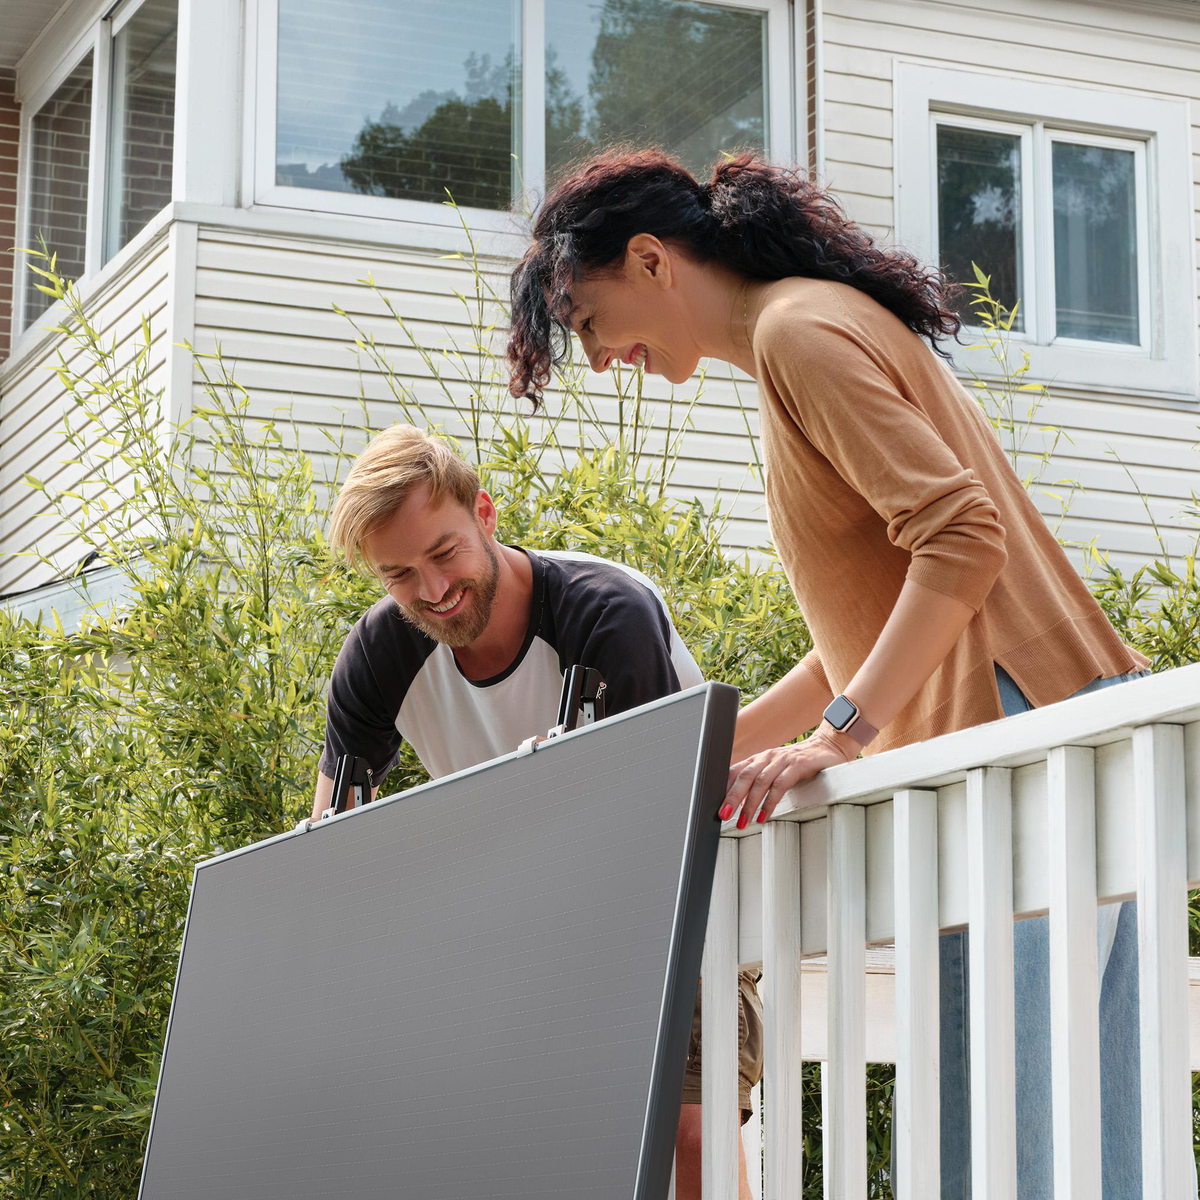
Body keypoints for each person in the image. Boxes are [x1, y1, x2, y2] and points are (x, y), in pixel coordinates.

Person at [505, 150, 1169, 1198]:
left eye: (589, 323)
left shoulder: (797, 333)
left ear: (648, 260)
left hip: (1021, 735)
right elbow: (866, 622)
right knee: (1094, 1153)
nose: (596, 360)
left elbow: (961, 538)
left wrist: (843, 735)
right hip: (1068, 726)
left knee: (995, 1156)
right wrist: (689, 754)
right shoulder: (800, 337)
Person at [309, 423, 762, 1199]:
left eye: (444, 553)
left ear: (485, 513)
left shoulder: (606, 610)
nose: (432, 589)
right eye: (399, 574)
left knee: (680, 1131)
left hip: (675, 919)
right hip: (517, 946)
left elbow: (648, 825)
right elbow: (330, 851)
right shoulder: (380, 657)